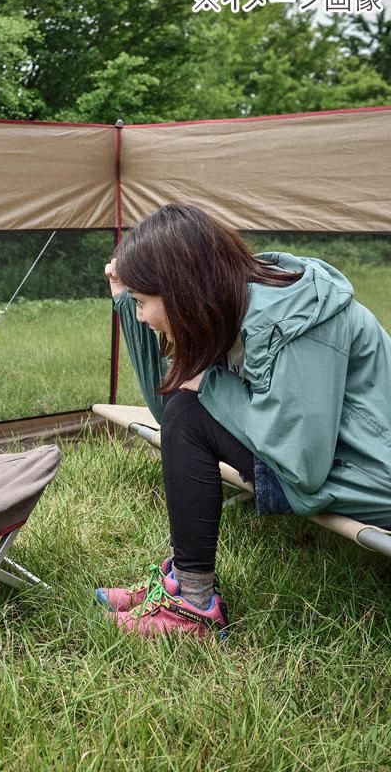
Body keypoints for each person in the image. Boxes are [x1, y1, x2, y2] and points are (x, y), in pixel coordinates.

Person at [97, 203, 391, 639]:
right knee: (183, 412)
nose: (140, 316)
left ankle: (193, 605)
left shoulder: (289, 322)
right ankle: (187, 584)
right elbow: (169, 406)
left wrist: (211, 385)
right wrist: (124, 292)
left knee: (190, 414)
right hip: (332, 454)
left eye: (142, 303)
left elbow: (301, 465)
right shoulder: (227, 303)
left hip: (370, 472)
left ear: (180, 290)